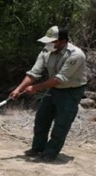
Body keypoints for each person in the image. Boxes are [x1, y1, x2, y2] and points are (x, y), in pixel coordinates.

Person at [10, 25, 87, 163]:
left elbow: (60, 79)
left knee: (61, 123)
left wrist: (35, 88)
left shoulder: (76, 54)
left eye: (52, 41)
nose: (48, 44)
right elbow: (34, 73)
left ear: (62, 41)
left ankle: (50, 153)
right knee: (42, 118)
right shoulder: (46, 51)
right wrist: (19, 88)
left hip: (71, 91)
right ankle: (38, 148)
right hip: (53, 89)